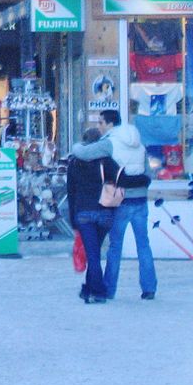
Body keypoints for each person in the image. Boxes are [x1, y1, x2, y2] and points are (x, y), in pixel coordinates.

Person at [71, 108, 157, 300]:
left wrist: (75, 146)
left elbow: (83, 153)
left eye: (100, 122)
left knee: (115, 246)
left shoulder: (110, 143)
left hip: (120, 201)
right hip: (141, 201)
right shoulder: (139, 143)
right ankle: (149, 287)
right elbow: (148, 174)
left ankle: (109, 288)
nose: (99, 126)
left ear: (110, 123)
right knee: (143, 244)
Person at [66, 127, 119, 304]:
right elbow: (121, 180)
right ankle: (90, 289)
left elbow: (71, 192)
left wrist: (72, 220)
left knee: (93, 254)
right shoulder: (107, 161)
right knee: (95, 252)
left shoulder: (74, 162)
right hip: (105, 212)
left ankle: (97, 291)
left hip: (83, 212)